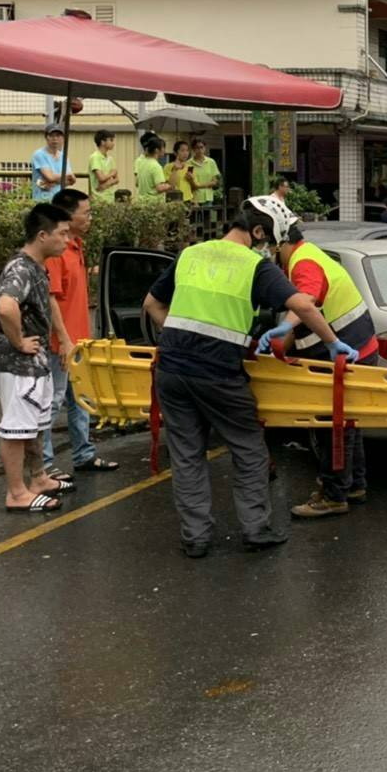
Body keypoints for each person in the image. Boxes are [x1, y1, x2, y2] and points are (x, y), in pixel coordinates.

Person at [141, 197, 340, 558]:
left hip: (171, 369)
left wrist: (176, 335)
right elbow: (304, 305)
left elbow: (151, 304)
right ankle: (255, 529)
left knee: (187, 455)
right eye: (267, 242)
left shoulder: (190, 254)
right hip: (218, 373)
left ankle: (195, 538)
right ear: (258, 231)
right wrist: (334, 342)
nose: (267, 250)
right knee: (248, 448)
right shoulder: (255, 267)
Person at [258, 209, 380, 520]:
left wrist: (284, 328)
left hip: (345, 354)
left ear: (278, 240)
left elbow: (307, 300)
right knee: (348, 422)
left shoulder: (303, 262)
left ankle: (333, 494)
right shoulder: (306, 254)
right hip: (358, 349)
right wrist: (281, 342)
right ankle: (353, 486)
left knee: (333, 424)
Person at [0, 204, 75, 512]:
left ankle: (38, 478)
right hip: (18, 362)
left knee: (34, 426)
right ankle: (16, 493)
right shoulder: (20, 268)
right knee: (16, 429)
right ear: (43, 235)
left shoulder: (37, 265)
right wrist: (17, 341)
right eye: (62, 234)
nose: (67, 240)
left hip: (34, 361)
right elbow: (6, 307)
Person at [40, 188, 120, 481]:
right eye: (85, 212)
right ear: (66, 215)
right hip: (61, 343)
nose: (90, 217)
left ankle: (83, 455)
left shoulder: (75, 246)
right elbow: (50, 299)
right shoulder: (56, 252)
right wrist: (62, 340)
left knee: (81, 400)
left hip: (78, 341)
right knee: (53, 402)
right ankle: (44, 467)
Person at [31, 124, 75, 202]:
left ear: (62, 138)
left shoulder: (63, 156)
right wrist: (62, 178)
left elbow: (71, 180)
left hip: (60, 199)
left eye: (58, 136)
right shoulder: (39, 154)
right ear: (46, 137)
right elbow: (50, 177)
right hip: (42, 199)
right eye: (51, 136)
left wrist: (53, 181)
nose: (55, 139)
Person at [134, 133, 171, 200]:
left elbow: (137, 182)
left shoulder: (142, 162)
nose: (164, 150)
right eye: (163, 148)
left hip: (141, 201)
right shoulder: (156, 166)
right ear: (157, 150)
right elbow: (159, 188)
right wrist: (169, 185)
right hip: (154, 204)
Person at [88, 129, 119, 201]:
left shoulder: (110, 158)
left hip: (110, 198)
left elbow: (117, 179)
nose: (113, 143)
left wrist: (106, 184)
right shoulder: (95, 157)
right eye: (111, 140)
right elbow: (101, 178)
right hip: (99, 199)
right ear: (102, 142)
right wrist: (111, 174)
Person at [190, 139, 221, 205]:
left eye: (202, 147)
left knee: (208, 215)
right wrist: (204, 185)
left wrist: (198, 185)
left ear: (205, 148)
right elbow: (190, 183)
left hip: (208, 198)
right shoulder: (189, 163)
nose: (200, 150)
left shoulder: (211, 162)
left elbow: (214, 181)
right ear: (193, 149)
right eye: (197, 148)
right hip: (194, 198)